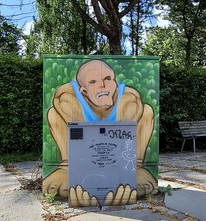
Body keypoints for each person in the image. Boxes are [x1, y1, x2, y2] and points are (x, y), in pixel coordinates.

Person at [44, 59, 157, 205]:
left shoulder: (129, 99)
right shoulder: (68, 99)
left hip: (122, 149)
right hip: (82, 146)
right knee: (52, 113)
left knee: (147, 111)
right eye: (92, 82)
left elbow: (128, 129)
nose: (102, 85)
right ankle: (65, 167)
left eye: (108, 79)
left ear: (115, 83)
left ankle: (138, 166)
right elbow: (63, 105)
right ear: (84, 91)